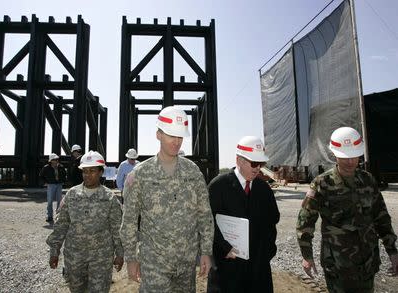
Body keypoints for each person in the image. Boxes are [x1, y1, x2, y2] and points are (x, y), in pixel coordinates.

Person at [120, 106, 214, 292]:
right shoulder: (140, 174)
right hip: (154, 263)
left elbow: (204, 214)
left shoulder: (193, 172)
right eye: (171, 135)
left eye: (180, 136)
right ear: (158, 135)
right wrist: (131, 258)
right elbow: (129, 220)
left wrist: (206, 251)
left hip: (186, 264)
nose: (176, 142)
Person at [297, 127, 398, 293]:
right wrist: (307, 256)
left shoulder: (368, 180)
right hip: (338, 265)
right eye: (345, 157)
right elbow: (305, 222)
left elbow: (381, 218)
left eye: (354, 156)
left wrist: (392, 251)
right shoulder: (322, 183)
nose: (350, 162)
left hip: (367, 261)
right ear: (334, 154)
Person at [207, 136, 280, 292]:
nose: (257, 168)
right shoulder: (218, 186)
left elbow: (272, 222)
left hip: (258, 272)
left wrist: (267, 252)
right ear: (239, 160)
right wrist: (223, 248)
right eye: (253, 163)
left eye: (260, 164)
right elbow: (207, 222)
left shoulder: (264, 189)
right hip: (227, 269)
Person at [46, 151, 124, 292]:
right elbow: (61, 225)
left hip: (101, 258)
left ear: (101, 172)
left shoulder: (109, 198)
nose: (87, 175)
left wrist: (120, 254)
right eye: (85, 171)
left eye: (92, 171)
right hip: (75, 257)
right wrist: (54, 251)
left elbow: (117, 228)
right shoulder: (72, 195)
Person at [39, 153, 66, 222]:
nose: (56, 161)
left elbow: (64, 174)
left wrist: (63, 181)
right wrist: (45, 183)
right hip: (51, 185)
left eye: (56, 159)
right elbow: (41, 176)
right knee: (50, 201)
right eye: (54, 159)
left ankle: (58, 216)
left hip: (59, 184)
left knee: (60, 201)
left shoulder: (61, 166)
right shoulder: (46, 167)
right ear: (50, 160)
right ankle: (50, 216)